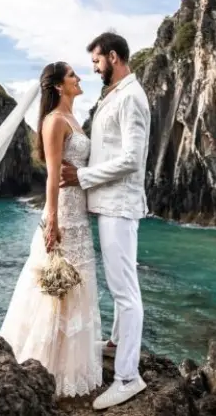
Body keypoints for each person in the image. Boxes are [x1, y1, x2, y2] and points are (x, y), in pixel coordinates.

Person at [0, 61, 103, 399]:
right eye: (73, 75)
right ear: (59, 85)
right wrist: (53, 221)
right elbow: (52, 174)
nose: (78, 78)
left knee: (77, 285)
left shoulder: (74, 119)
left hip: (80, 214)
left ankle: (71, 369)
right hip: (64, 215)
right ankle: (43, 368)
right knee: (55, 290)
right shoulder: (54, 121)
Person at [61, 32, 151, 410]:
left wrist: (82, 178)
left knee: (125, 293)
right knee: (121, 283)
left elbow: (131, 158)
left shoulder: (131, 96)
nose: (94, 67)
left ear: (113, 57)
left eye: (97, 61)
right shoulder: (115, 94)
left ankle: (128, 377)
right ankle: (115, 344)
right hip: (109, 203)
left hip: (119, 205)